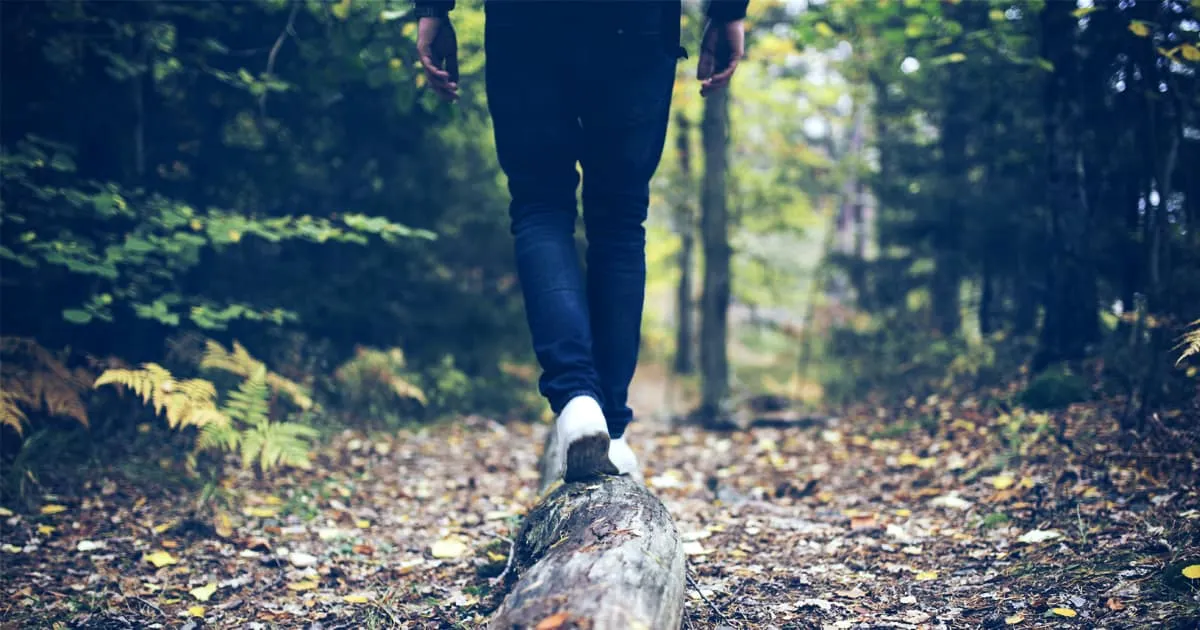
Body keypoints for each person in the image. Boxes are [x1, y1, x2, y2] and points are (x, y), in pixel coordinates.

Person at [414, 0, 747, 484]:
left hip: (525, 21)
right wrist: (727, 12)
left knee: (541, 205)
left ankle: (577, 402)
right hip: (635, 21)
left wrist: (432, 9)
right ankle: (609, 426)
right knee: (619, 219)